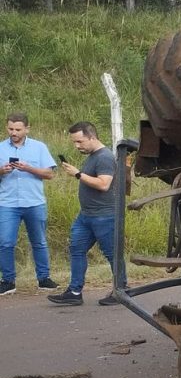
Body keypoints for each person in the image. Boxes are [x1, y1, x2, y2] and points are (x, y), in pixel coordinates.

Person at [47, 122, 117, 307]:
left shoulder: (105, 157)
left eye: (80, 141)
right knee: (76, 249)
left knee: (112, 254)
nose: (77, 146)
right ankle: (74, 291)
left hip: (104, 215)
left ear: (92, 137)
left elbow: (104, 184)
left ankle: (121, 290)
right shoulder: (93, 156)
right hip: (86, 215)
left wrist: (78, 174)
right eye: (74, 142)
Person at [0, 112, 59, 296]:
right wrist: (2, 171)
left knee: (39, 242)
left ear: (27, 128)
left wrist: (28, 168)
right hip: (7, 203)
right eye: (10, 128)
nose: (13, 132)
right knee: (5, 243)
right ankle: (8, 281)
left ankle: (44, 279)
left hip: (34, 202)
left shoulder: (39, 147)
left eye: (17, 129)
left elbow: (49, 174)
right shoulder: (1, 148)